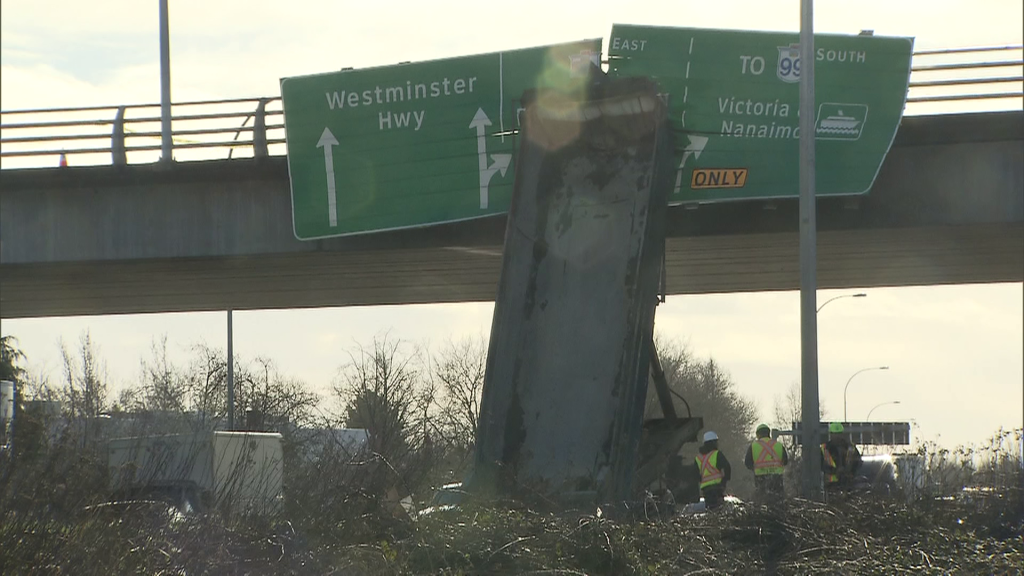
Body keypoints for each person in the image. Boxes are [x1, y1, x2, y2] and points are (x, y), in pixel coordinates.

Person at [744, 423, 788, 504]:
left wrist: (755, 469)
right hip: (776, 478)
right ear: (768, 433)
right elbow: (785, 461)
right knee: (778, 501)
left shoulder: (753, 446)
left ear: (758, 434)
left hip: (760, 478)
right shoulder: (778, 445)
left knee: (762, 501)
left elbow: (747, 463)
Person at [822, 422, 863, 492]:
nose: (837, 436)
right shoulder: (825, 448)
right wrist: (834, 471)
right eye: (835, 434)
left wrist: (850, 473)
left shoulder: (850, 447)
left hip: (848, 485)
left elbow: (858, 462)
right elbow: (820, 465)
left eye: (838, 434)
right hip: (831, 486)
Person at [695, 430, 731, 510]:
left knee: (710, 510)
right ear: (713, 443)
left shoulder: (698, 458)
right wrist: (724, 481)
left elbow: (695, 474)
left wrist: (701, 481)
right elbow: (727, 467)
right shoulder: (717, 454)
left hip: (706, 490)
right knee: (719, 510)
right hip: (717, 488)